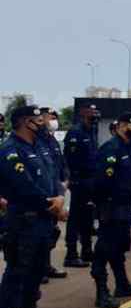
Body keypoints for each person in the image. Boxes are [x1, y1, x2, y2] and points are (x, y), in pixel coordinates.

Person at [0, 106, 65, 308]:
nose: (46, 123)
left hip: (43, 221)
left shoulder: (39, 146)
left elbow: (54, 176)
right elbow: (24, 187)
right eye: (40, 119)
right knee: (16, 275)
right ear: (27, 122)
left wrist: (58, 196)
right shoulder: (10, 150)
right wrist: (56, 207)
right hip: (23, 222)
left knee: (36, 273)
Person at [91, 112, 131, 308]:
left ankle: (122, 284)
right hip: (110, 206)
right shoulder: (111, 148)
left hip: (124, 205)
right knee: (104, 249)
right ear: (121, 126)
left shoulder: (129, 148)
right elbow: (102, 182)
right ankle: (102, 292)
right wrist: (104, 205)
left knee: (119, 247)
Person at [63, 103, 100, 267]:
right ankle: (71, 254)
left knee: (88, 217)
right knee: (75, 218)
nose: (94, 116)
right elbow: (69, 158)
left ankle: (87, 250)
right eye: (91, 113)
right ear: (83, 114)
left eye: (96, 113)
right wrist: (73, 178)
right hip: (79, 180)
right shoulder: (75, 132)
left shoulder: (92, 130)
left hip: (91, 179)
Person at [35, 108, 68, 281]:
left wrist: (64, 182)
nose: (54, 120)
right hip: (45, 192)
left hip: (57, 188)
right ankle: (39, 268)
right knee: (43, 233)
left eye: (56, 117)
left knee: (50, 232)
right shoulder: (37, 140)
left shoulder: (52, 139)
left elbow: (61, 164)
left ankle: (45, 266)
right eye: (50, 117)